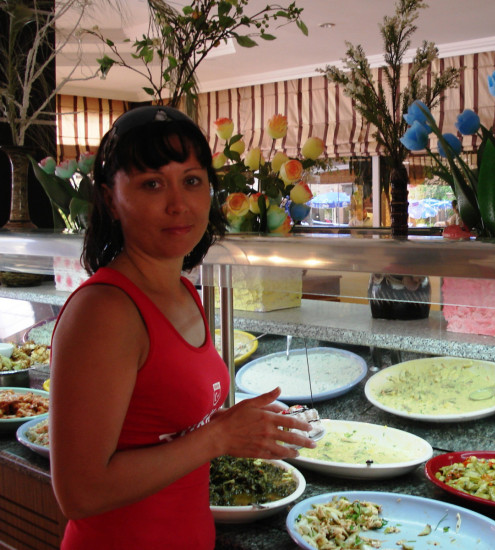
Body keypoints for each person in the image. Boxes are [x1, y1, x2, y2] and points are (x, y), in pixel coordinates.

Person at [49, 105, 315, 550]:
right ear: (111, 199)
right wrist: (218, 437)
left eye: (191, 181)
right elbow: (80, 492)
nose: (178, 204)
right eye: (152, 184)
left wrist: (233, 428)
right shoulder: (104, 311)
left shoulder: (184, 291)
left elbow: (164, 427)